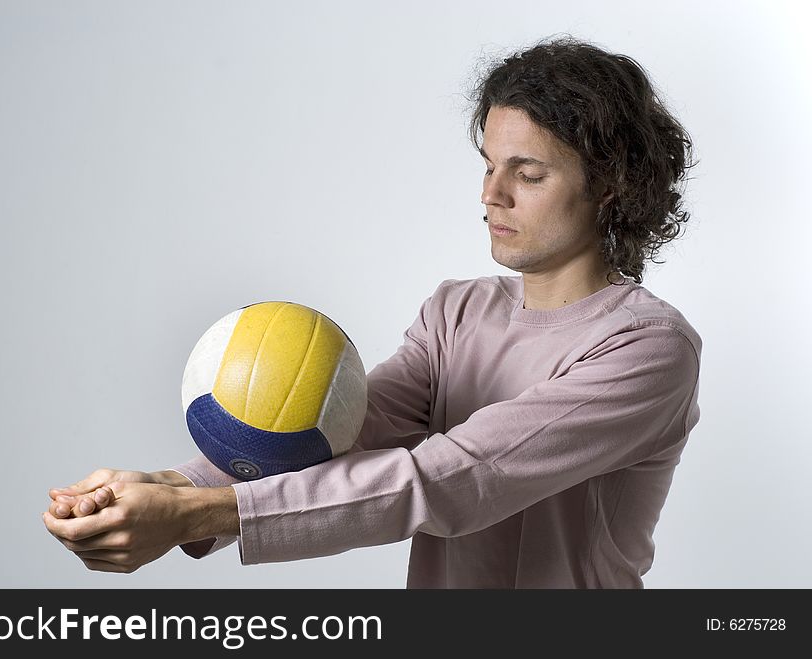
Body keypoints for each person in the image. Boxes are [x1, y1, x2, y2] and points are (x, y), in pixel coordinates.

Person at [43, 35, 702, 588]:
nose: (490, 195)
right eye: (489, 165)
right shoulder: (456, 310)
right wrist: (152, 486)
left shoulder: (647, 347)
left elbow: (453, 480)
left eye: (527, 174)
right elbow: (338, 434)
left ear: (612, 182)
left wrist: (193, 515)